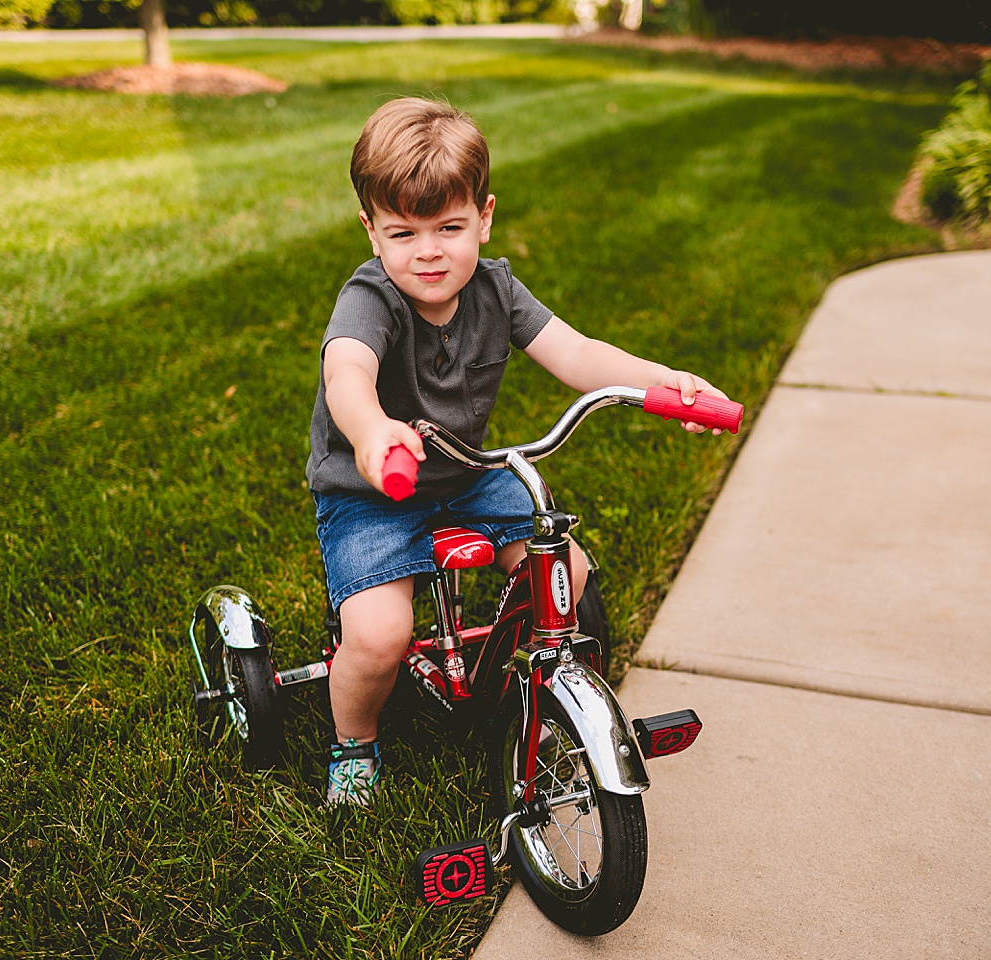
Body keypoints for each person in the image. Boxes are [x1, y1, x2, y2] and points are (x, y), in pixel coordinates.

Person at [308, 96, 727, 805]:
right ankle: (354, 742)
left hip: (468, 476)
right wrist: (375, 431)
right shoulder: (370, 299)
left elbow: (577, 353)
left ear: (486, 216)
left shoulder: (496, 289)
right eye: (403, 233)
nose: (430, 251)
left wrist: (665, 384)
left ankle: (523, 674)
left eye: (450, 227)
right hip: (375, 489)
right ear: (371, 232)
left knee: (569, 569)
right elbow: (347, 373)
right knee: (380, 634)